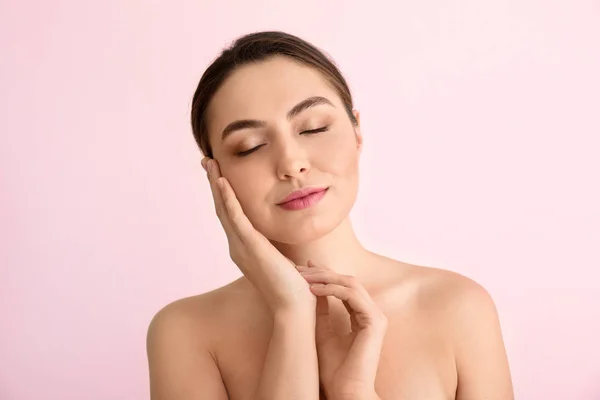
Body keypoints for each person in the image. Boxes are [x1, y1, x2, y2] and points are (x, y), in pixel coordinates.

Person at [146, 31, 514, 400]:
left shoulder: (457, 307)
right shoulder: (186, 333)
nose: (292, 164)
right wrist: (291, 314)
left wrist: (353, 393)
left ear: (357, 131)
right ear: (215, 173)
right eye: (250, 147)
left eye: (313, 128)